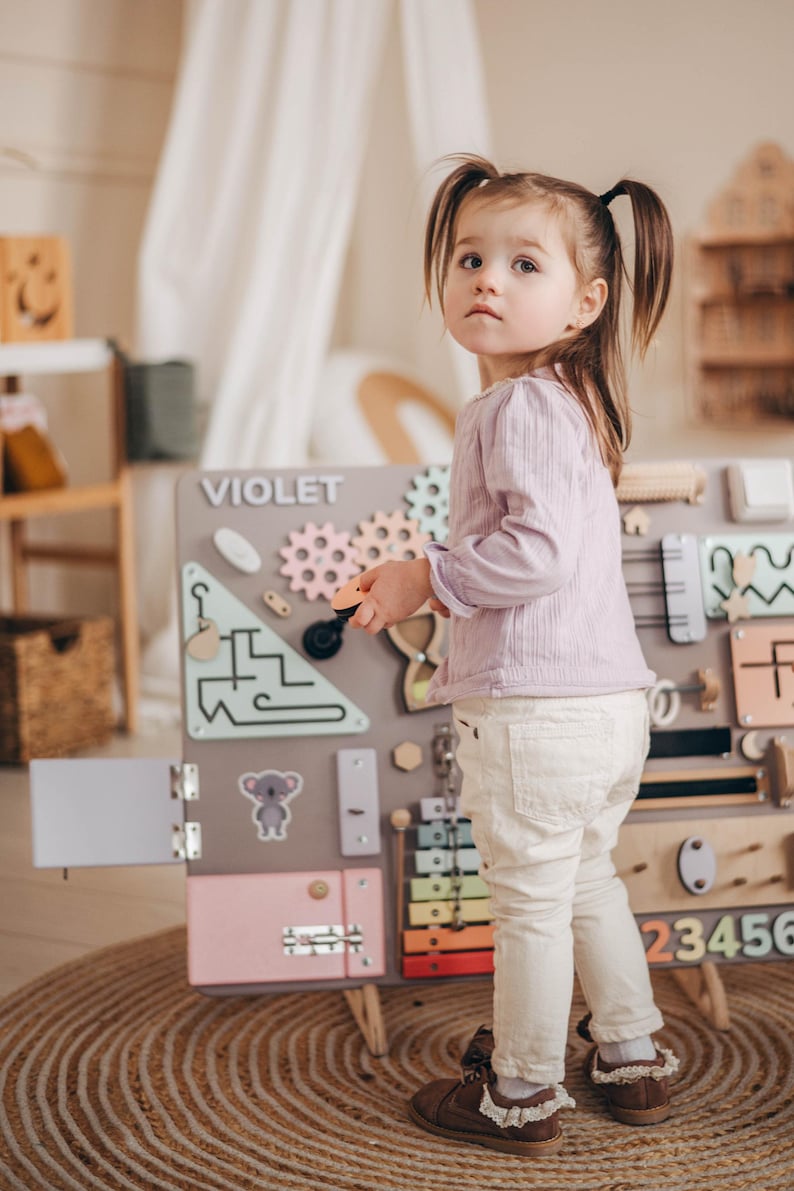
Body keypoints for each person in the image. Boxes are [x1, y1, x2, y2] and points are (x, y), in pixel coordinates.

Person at [349, 154, 679, 1156]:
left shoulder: (517, 407)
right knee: (584, 879)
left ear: (585, 303)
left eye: (523, 264)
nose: (487, 279)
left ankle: (522, 1089)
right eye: (469, 258)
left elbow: (535, 555)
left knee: (529, 905)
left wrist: (426, 575)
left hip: (538, 711)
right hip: (606, 705)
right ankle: (630, 1052)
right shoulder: (572, 400)